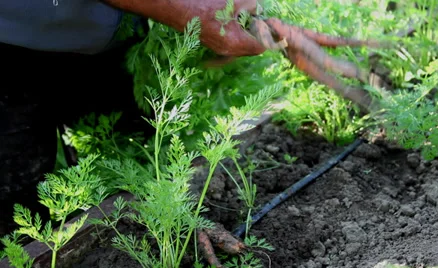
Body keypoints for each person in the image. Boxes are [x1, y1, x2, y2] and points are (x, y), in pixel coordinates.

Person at [0, 0, 265, 236]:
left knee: (135, 150)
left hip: (112, 28)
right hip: (11, 33)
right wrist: (184, 8)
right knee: (17, 216)